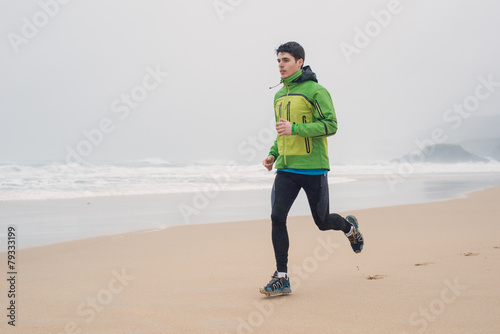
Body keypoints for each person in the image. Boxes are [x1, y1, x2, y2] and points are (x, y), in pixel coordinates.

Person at [259, 41, 364, 296]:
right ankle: (281, 277)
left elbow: (331, 125)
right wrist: (273, 154)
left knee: (323, 221)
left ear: (299, 62)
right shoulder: (279, 95)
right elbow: (282, 132)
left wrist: (295, 129)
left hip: (313, 168)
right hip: (286, 168)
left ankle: (349, 228)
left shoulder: (316, 91)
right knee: (277, 217)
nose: (281, 65)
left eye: (285, 60)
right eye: (278, 61)